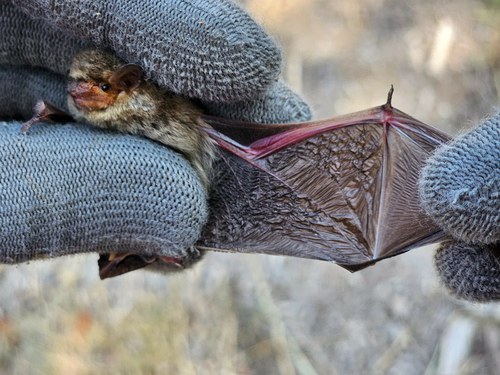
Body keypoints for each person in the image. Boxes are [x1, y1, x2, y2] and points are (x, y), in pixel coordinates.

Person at [0, 0, 498, 301]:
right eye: (78, 85)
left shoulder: (153, 107)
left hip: (212, 159)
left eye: (98, 87)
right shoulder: (70, 102)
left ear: (126, 85)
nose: (83, 91)